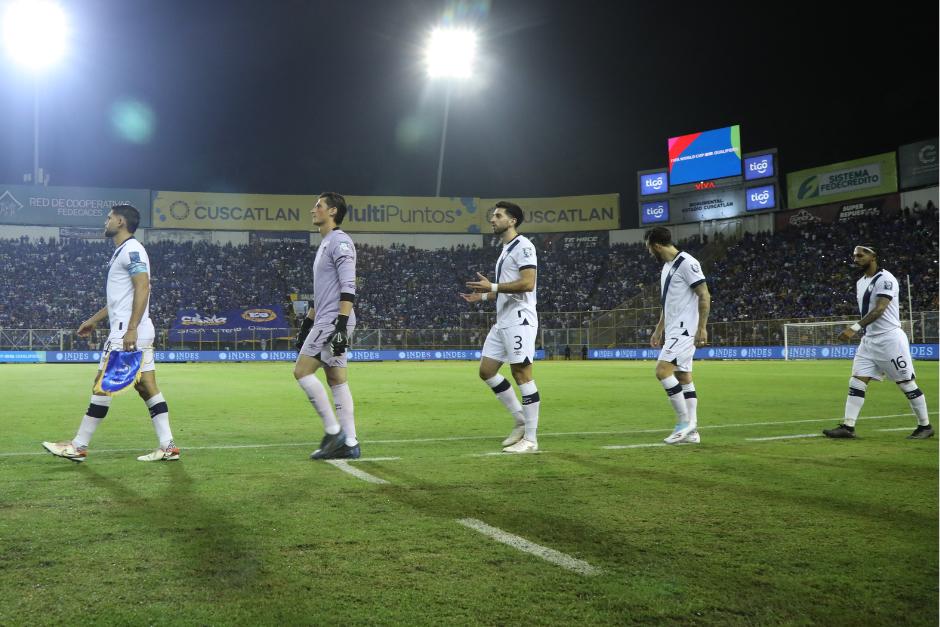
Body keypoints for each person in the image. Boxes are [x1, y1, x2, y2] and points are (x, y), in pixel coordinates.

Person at [42, 204, 179, 462]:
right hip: (136, 330)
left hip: (126, 333)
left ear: (119, 221)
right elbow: (120, 298)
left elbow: (143, 288)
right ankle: (168, 446)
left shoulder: (132, 250)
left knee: (101, 386)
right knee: (147, 387)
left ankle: (78, 446)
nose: (105, 222)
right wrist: (93, 320)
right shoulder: (122, 252)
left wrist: (130, 329)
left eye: (108, 218)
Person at [823, 245, 932, 439]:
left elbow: (879, 309)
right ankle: (848, 427)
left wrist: (854, 328)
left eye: (860, 255)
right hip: (869, 340)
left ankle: (925, 426)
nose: (856, 259)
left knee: (906, 383)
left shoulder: (886, 279)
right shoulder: (860, 282)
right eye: (854, 256)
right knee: (857, 380)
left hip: (890, 339)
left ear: (873, 256)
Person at [461, 202, 541, 453]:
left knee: (522, 374)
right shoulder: (506, 249)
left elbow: (528, 283)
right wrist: (484, 297)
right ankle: (520, 418)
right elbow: (507, 287)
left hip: (520, 318)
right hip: (504, 319)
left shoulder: (524, 246)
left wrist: (492, 287)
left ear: (513, 220)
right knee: (486, 370)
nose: (492, 219)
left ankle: (530, 439)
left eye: (498, 216)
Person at [294, 192, 361, 459]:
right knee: (336, 379)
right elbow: (321, 292)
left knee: (301, 372)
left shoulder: (340, 242)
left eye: (318, 206)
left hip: (334, 319)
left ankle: (334, 433)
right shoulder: (325, 244)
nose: (313, 209)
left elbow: (348, 286)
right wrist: (306, 324)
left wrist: (341, 325)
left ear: (332, 211)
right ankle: (351, 442)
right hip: (326, 318)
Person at [645, 226, 710, 445]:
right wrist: (659, 328)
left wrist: (702, 327)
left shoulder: (687, 263)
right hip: (673, 328)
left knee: (662, 371)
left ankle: (684, 423)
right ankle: (692, 432)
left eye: (649, 248)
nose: (649, 253)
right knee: (683, 377)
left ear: (656, 245)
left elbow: (704, 294)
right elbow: (668, 303)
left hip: (685, 328)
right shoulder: (667, 267)